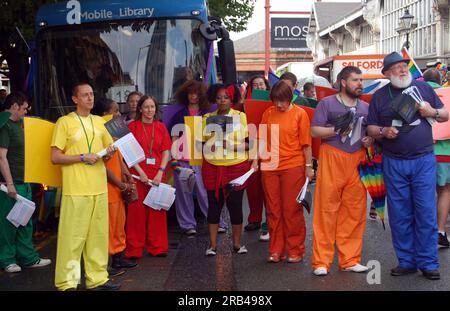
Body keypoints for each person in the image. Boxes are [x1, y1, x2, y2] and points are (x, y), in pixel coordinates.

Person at [367, 52, 449, 280]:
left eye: (404, 66)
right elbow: (370, 128)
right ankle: (406, 261)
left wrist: (431, 111)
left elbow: (444, 115)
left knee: (425, 211)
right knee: (400, 214)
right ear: (386, 73)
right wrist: (383, 131)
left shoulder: (424, 90)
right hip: (394, 161)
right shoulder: (380, 97)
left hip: (423, 160)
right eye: (396, 68)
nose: (403, 70)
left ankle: (429, 262)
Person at [51, 82, 119, 291]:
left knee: (97, 238)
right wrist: (81, 157)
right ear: (75, 99)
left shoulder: (100, 122)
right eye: (85, 95)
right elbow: (55, 157)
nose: (90, 98)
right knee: (72, 239)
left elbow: (108, 152)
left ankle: (97, 279)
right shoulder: (64, 122)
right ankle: (67, 282)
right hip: (76, 190)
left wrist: (109, 152)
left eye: (91, 94)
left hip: (98, 188)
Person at [311, 66, 373, 276]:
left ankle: (350, 259)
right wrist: (336, 129)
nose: (360, 84)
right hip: (332, 156)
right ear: (343, 82)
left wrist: (369, 140)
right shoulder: (326, 103)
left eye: (361, 80)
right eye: (355, 80)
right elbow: (314, 130)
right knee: (326, 210)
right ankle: (322, 261)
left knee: (354, 211)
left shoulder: (365, 107)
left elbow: (370, 133)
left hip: (357, 158)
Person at [259, 80, 313, 263]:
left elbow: (306, 144)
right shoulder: (268, 113)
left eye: (282, 100)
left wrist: (308, 168)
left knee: (291, 210)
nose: (278, 105)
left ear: (290, 98)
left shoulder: (300, 114)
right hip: (269, 167)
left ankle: (295, 250)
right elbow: (261, 140)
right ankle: (276, 250)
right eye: (275, 100)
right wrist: (254, 162)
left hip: (293, 166)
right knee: (273, 210)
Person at [0, 92, 51, 273]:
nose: (26, 111)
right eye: (23, 108)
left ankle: (27, 257)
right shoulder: (5, 124)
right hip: (12, 184)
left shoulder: (18, 124)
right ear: (14, 106)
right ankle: (7, 260)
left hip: (23, 181)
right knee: (10, 224)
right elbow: (1, 157)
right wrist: (10, 184)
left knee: (24, 221)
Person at [202, 84, 256, 256]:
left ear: (231, 99)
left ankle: (237, 244)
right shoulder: (207, 118)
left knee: (235, 206)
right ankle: (212, 245)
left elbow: (251, 143)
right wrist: (211, 145)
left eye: (225, 97)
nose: (222, 100)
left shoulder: (241, 117)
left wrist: (232, 146)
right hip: (213, 167)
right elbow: (200, 144)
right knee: (214, 206)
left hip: (236, 166)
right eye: (218, 97)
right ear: (214, 99)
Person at [168, 80, 227, 235]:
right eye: (190, 93)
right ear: (185, 95)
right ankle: (188, 225)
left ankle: (216, 222)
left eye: (196, 93)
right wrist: (173, 159)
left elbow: (217, 137)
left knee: (206, 192)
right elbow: (174, 138)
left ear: (201, 95)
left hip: (203, 159)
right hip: (182, 159)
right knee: (184, 194)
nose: (193, 96)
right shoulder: (179, 115)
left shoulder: (209, 114)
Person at [92, 98, 138, 276]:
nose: (119, 115)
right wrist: (119, 183)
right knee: (109, 226)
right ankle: (108, 262)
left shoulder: (112, 130)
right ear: (104, 115)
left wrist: (125, 171)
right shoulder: (98, 132)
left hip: (118, 186)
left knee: (119, 223)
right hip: (109, 187)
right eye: (115, 111)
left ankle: (119, 257)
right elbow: (102, 166)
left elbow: (118, 154)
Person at [125, 95, 172, 259]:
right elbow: (127, 153)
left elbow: (166, 151)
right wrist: (140, 172)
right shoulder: (132, 127)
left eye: (152, 107)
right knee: (136, 213)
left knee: (157, 211)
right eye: (146, 107)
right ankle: (134, 249)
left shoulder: (161, 127)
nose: (149, 110)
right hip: (137, 176)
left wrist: (161, 171)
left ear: (155, 109)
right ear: (140, 109)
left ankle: (158, 247)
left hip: (157, 175)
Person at [422, 68, 450, 248]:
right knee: (445, 190)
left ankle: (423, 232)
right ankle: (439, 231)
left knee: (422, 193)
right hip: (445, 151)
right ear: (440, 80)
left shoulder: (417, 93)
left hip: (421, 150)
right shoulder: (447, 94)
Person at [243, 75, 271, 241]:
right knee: (253, 187)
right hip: (251, 147)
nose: (259, 87)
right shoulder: (243, 104)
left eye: (262, 84)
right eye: (255, 85)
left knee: (269, 188)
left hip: (270, 147)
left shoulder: (274, 102)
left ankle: (270, 221)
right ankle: (254, 218)